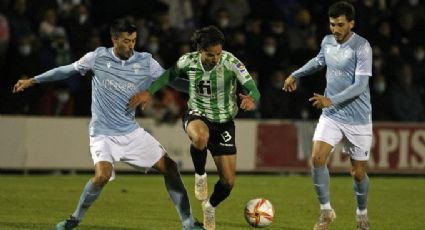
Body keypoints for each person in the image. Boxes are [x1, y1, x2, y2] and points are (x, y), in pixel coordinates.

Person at [13, 18, 202, 230]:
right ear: (114, 39)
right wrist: (33, 80)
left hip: (131, 132)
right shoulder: (97, 57)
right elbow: (66, 70)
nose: (131, 46)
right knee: (102, 176)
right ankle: (74, 219)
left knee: (170, 167)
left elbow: (171, 80)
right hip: (102, 133)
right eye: (126, 41)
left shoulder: (146, 61)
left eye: (133, 40)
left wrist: (203, 88)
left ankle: (188, 223)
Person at [129, 25, 260, 230]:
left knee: (228, 182)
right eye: (210, 54)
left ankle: (210, 206)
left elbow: (253, 87)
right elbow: (168, 76)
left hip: (224, 123)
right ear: (200, 50)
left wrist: (252, 98)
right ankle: (200, 176)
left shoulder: (231, 62)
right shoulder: (187, 61)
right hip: (197, 113)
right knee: (200, 138)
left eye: (218, 53)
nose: (215, 58)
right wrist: (149, 92)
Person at [283, 2, 372, 230]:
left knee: (358, 173)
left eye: (341, 25)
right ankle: (326, 211)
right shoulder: (327, 41)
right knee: (317, 159)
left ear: (351, 24)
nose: (336, 29)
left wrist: (331, 99)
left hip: (358, 118)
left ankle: (361, 213)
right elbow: (319, 61)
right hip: (331, 114)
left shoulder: (362, 47)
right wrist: (296, 74)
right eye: (332, 24)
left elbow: (361, 85)